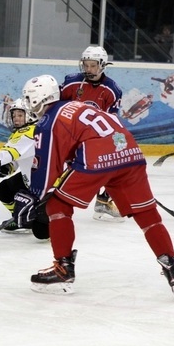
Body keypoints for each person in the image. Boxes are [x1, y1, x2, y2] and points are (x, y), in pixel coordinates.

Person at [12, 74, 174, 300]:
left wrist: (33, 195)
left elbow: (48, 165)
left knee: (57, 205)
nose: (28, 103)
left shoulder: (48, 121)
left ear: (38, 99)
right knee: (147, 214)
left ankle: (63, 269)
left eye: (29, 98)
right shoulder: (77, 106)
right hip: (130, 152)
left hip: (97, 156)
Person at [60, 45, 124, 223]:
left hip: (93, 139)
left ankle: (104, 200)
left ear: (102, 65)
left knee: (115, 164)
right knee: (64, 172)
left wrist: (119, 142)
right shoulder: (71, 83)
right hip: (68, 136)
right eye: (86, 65)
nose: (88, 69)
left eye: (93, 65)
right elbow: (55, 107)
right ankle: (47, 203)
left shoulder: (112, 90)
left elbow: (112, 122)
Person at [0, 98, 47, 238]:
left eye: (20, 115)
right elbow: (20, 155)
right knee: (4, 189)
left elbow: (10, 150)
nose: (16, 119)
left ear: (30, 115)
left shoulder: (30, 131)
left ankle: (47, 216)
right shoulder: (30, 130)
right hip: (34, 179)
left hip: (45, 186)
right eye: (14, 115)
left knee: (41, 233)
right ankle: (21, 219)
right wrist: (7, 167)